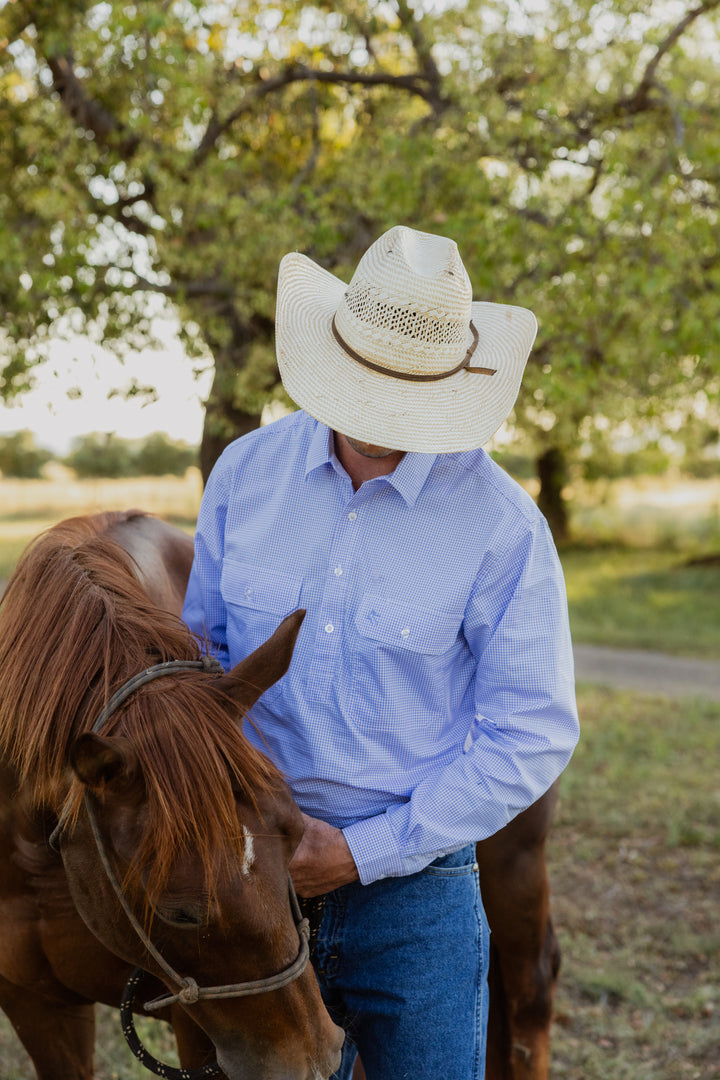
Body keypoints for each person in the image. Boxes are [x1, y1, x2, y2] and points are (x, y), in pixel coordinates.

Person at [182, 225, 579, 1080]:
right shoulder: (244, 477)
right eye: (359, 389)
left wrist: (366, 851)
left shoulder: (502, 527)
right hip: (249, 878)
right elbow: (199, 661)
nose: (373, 421)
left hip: (418, 896)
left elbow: (532, 734)